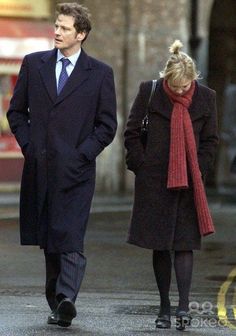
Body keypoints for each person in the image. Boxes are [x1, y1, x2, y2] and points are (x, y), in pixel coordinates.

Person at [7, 2, 117, 328]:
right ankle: (57, 300)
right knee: (50, 236)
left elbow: (106, 126)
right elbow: (16, 113)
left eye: (65, 27)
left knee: (69, 233)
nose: (57, 31)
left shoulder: (100, 74)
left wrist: (82, 154)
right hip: (40, 168)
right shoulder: (33, 64)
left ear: (81, 34)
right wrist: (29, 146)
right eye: (56, 25)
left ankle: (67, 297)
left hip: (77, 171)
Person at [124, 40, 219, 331]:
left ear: (193, 79)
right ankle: (164, 306)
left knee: (185, 244)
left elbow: (210, 140)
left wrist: (198, 169)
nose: (179, 91)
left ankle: (183, 306)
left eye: (184, 86)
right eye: (174, 86)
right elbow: (131, 132)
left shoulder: (206, 98)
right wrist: (141, 164)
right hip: (155, 182)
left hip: (190, 183)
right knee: (160, 245)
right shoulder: (149, 92)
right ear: (167, 78)